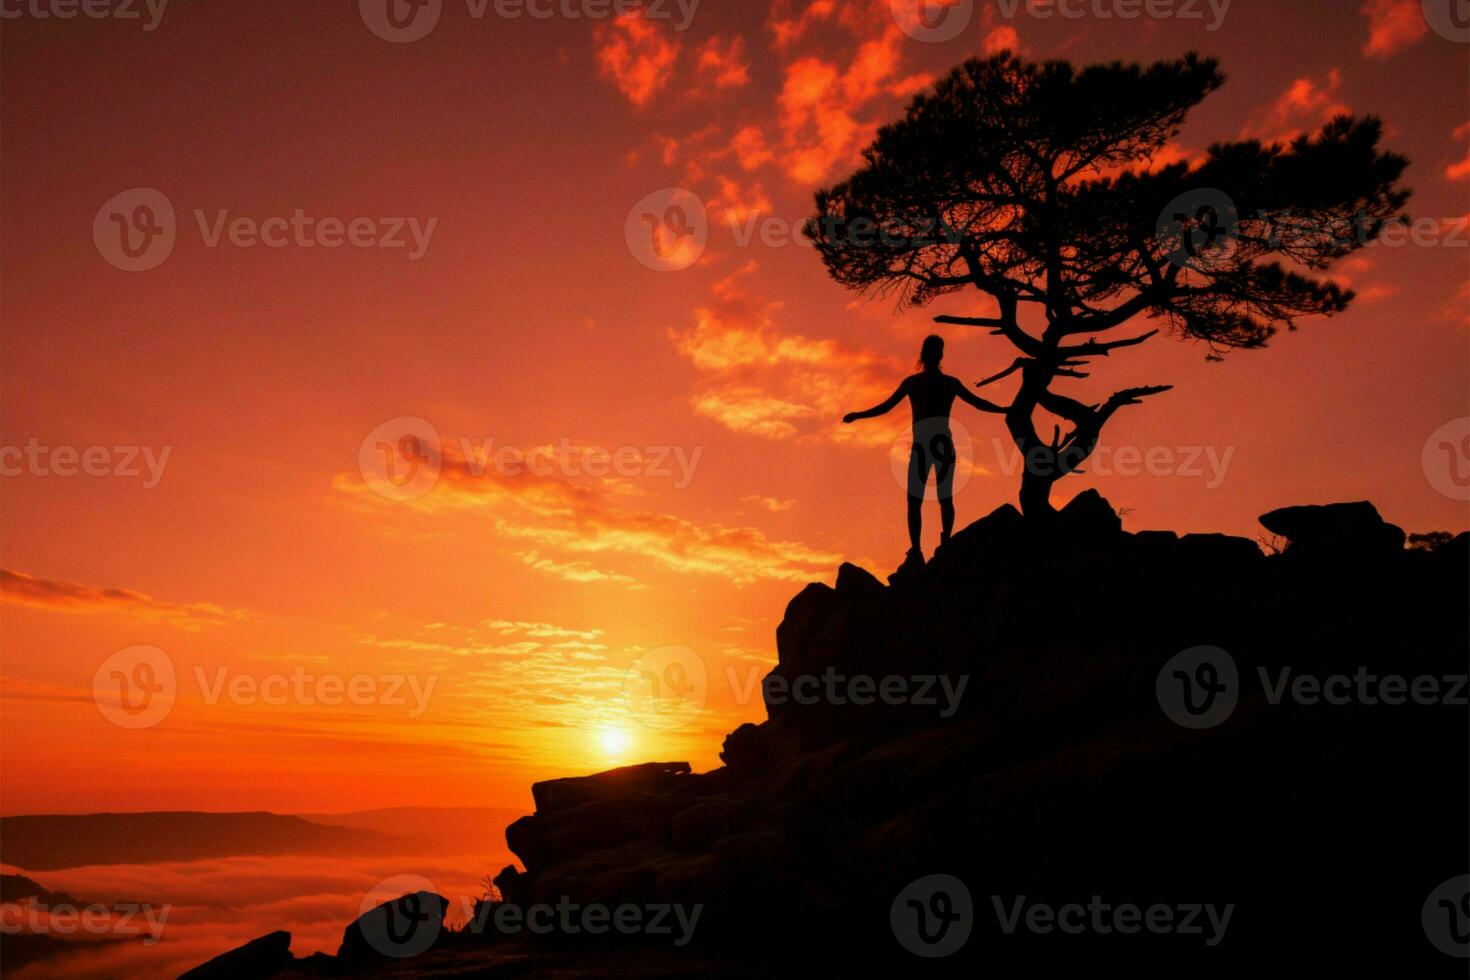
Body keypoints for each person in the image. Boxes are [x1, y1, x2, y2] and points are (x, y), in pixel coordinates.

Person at [843, 335, 1003, 562]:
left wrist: (858, 415)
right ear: (940, 355)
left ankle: (920, 547)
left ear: (923, 355)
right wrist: (1004, 409)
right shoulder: (945, 383)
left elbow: (886, 407)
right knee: (940, 498)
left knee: (919, 499)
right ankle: (935, 542)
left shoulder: (918, 383)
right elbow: (979, 403)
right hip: (939, 445)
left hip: (925, 446)